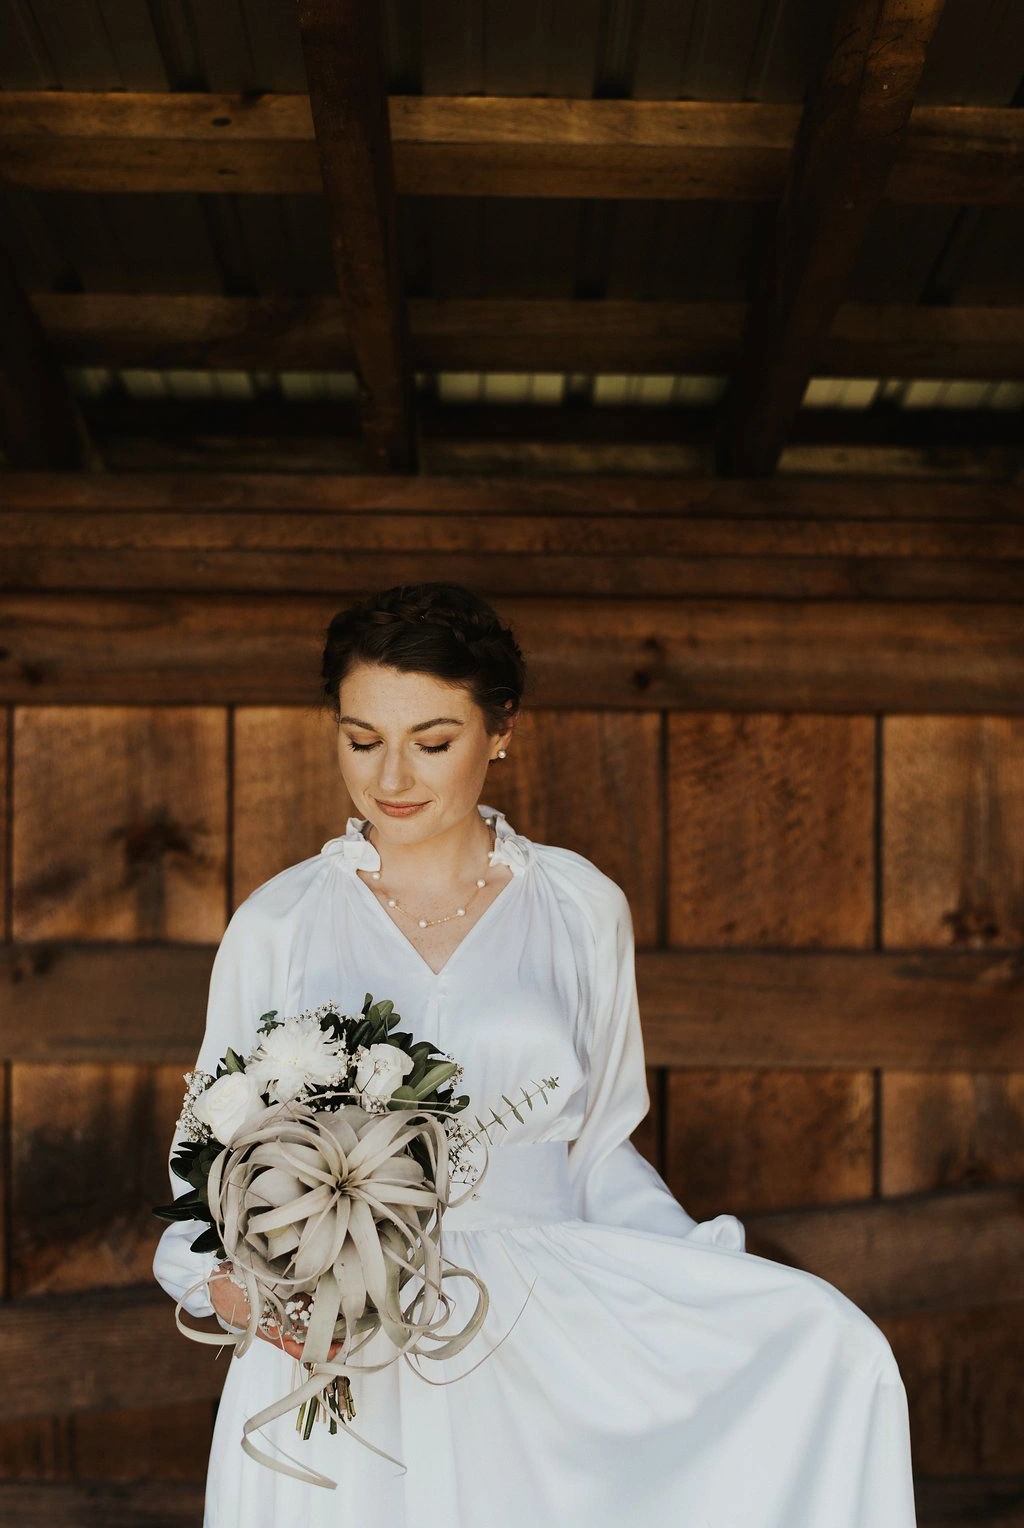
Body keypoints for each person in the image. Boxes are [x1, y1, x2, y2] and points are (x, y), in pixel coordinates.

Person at [153, 581, 918, 1527]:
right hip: (341, 1334)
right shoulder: (277, 923)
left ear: (501, 730)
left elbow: (597, 1151)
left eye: (432, 742)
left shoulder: (579, 905)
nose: (392, 776)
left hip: (537, 1336)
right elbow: (207, 1168)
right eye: (361, 739)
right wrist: (250, 1296)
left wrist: (706, 1280)